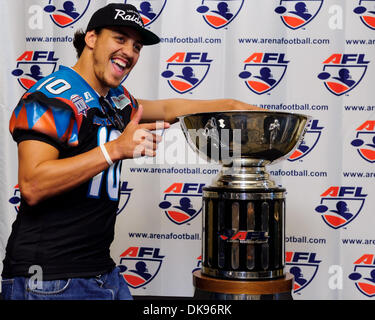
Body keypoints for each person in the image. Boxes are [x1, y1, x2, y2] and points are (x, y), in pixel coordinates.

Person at [1, 3, 261, 300]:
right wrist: (114, 150)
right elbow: (33, 184)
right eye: (120, 39)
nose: (130, 51)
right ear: (91, 39)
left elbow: (166, 108)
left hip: (100, 272)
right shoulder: (50, 97)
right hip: (49, 279)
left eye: (136, 46)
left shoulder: (115, 99)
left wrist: (230, 104)